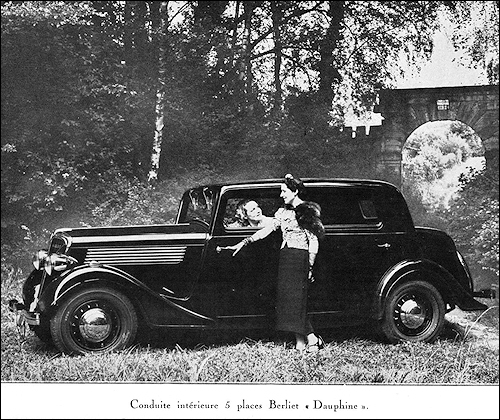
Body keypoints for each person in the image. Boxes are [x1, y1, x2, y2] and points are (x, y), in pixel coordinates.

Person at [225, 174, 325, 352]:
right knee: (288, 300)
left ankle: (312, 339)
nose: (281, 195)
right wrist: (244, 242)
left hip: (300, 257)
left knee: (297, 300)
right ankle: (300, 342)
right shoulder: (283, 212)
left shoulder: (306, 211)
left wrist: (309, 266)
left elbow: (314, 240)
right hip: (285, 256)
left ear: (294, 191)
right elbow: (267, 230)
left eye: (284, 191)